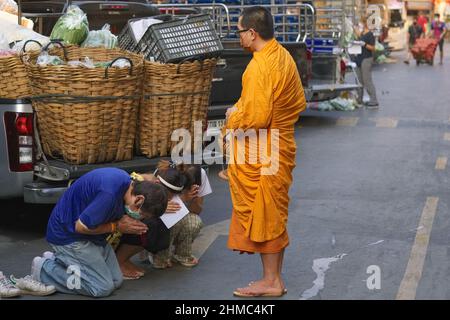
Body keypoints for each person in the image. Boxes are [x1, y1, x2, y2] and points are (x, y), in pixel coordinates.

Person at [225, 6, 306, 297]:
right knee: (273, 212)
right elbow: (297, 101)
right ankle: (274, 279)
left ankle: (271, 281)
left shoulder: (259, 66)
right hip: (281, 142)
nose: (238, 38)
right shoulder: (282, 55)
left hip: (265, 150)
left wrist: (233, 115)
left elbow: (257, 118)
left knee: (266, 214)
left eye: (239, 32)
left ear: (252, 32)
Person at [30, 168, 168, 297]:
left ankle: (62, 260)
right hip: (69, 236)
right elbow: (81, 227)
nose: (140, 217)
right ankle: (44, 269)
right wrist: (116, 226)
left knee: (116, 280)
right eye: (142, 214)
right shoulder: (109, 194)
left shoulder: (128, 184)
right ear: (139, 199)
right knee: (102, 287)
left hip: (94, 236)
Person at [115, 160, 198, 273]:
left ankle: (165, 254)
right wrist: (160, 208)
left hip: (123, 226)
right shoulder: (137, 183)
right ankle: (120, 260)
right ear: (158, 184)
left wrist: (186, 200)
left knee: (167, 222)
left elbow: (196, 210)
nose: (166, 201)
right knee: (150, 224)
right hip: (116, 225)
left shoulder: (159, 186)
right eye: (165, 198)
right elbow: (129, 210)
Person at [152, 163, 212, 268]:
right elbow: (148, 207)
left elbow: (196, 211)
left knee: (195, 221)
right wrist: (180, 199)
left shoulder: (199, 174)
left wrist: (192, 199)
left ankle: (182, 254)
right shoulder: (165, 172)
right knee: (173, 221)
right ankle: (159, 255)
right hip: (157, 216)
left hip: (178, 216)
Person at [354, 17, 379, 108]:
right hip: (359, 58)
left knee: (367, 80)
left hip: (366, 59)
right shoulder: (362, 33)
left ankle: (374, 100)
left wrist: (364, 44)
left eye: (361, 23)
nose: (360, 25)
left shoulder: (370, 34)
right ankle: (359, 99)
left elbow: (373, 48)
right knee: (359, 80)